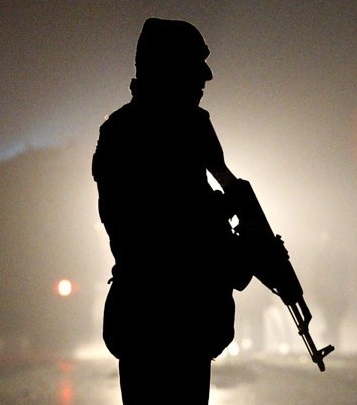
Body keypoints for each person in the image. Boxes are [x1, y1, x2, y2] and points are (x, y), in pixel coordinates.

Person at [92, 18, 248, 404]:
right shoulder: (131, 132)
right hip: (162, 315)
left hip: (170, 316)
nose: (206, 77)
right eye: (195, 66)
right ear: (168, 69)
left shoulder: (183, 126)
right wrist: (222, 216)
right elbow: (148, 225)